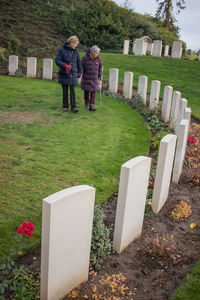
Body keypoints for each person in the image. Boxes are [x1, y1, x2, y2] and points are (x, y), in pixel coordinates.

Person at [55, 36, 82, 112]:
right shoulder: (62, 50)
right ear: (71, 43)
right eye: (75, 44)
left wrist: (80, 71)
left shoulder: (76, 51)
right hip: (64, 73)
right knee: (65, 90)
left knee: (73, 91)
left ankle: (74, 107)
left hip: (73, 73)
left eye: (77, 44)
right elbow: (57, 60)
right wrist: (64, 65)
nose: (76, 45)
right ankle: (65, 106)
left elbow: (78, 61)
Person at [81, 45, 102, 111]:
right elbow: (81, 66)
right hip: (86, 77)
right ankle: (86, 103)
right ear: (92, 52)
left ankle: (92, 105)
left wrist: (100, 74)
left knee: (93, 92)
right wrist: (80, 73)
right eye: (96, 53)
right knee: (86, 91)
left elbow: (100, 67)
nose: (97, 54)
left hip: (95, 78)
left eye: (98, 53)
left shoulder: (98, 58)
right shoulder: (85, 58)